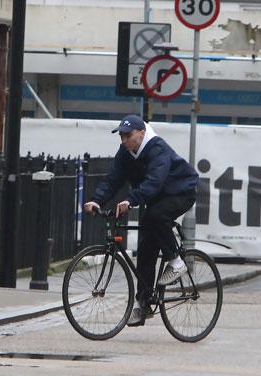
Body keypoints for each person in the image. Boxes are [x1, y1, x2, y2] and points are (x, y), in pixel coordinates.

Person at [84, 114, 198, 326]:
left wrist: (131, 200)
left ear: (141, 133)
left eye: (128, 135)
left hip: (180, 193)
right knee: (146, 250)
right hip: (156, 198)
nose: (124, 140)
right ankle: (144, 304)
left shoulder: (157, 149)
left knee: (156, 216)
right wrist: (96, 200)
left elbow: (155, 181)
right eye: (121, 136)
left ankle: (176, 262)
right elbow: (113, 178)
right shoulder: (126, 152)